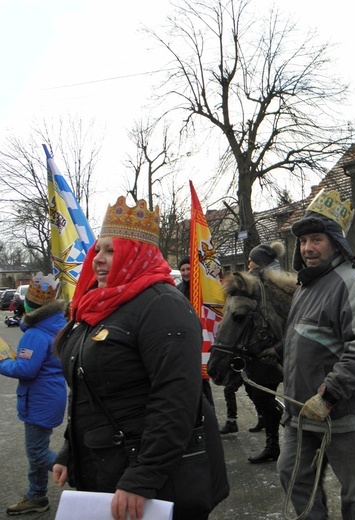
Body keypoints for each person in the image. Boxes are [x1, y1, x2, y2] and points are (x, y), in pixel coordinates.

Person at [52, 197, 223, 520]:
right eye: (98, 250)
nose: (97, 259)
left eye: (111, 251)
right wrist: (70, 450)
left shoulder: (162, 306)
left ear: (136, 255)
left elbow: (176, 398)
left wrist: (144, 476)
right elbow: (88, 390)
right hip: (106, 465)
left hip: (150, 476)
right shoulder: (97, 304)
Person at [277, 189, 355, 519]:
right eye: (304, 241)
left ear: (336, 242)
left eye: (317, 240)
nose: (308, 248)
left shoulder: (351, 281)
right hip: (301, 412)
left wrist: (328, 396)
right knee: (291, 474)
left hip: (343, 412)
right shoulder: (305, 285)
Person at [1, 273, 67, 516]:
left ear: (30, 305)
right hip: (51, 396)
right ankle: (36, 495)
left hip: (39, 400)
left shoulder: (35, 334)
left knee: (37, 452)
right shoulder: (56, 326)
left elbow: (25, 369)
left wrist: (2, 363)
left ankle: (78, 471)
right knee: (37, 449)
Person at [243, 241, 285, 463]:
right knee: (257, 393)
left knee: (263, 395)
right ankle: (271, 432)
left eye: (250, 260)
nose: (247, 264)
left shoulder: (277, 288)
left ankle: (273, 445)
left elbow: (293, 324)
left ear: (259, 263)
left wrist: (277, 349)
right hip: (261, 352)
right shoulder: (257, 285)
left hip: (275, 354)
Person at [177, 256, 216, 410]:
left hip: (204, 338)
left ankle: (209, 411)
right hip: (186, 339)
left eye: (188, 269)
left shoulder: (203, 288)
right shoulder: (178, 289)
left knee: (203, 378)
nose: (186, 272)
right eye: (183, 270)